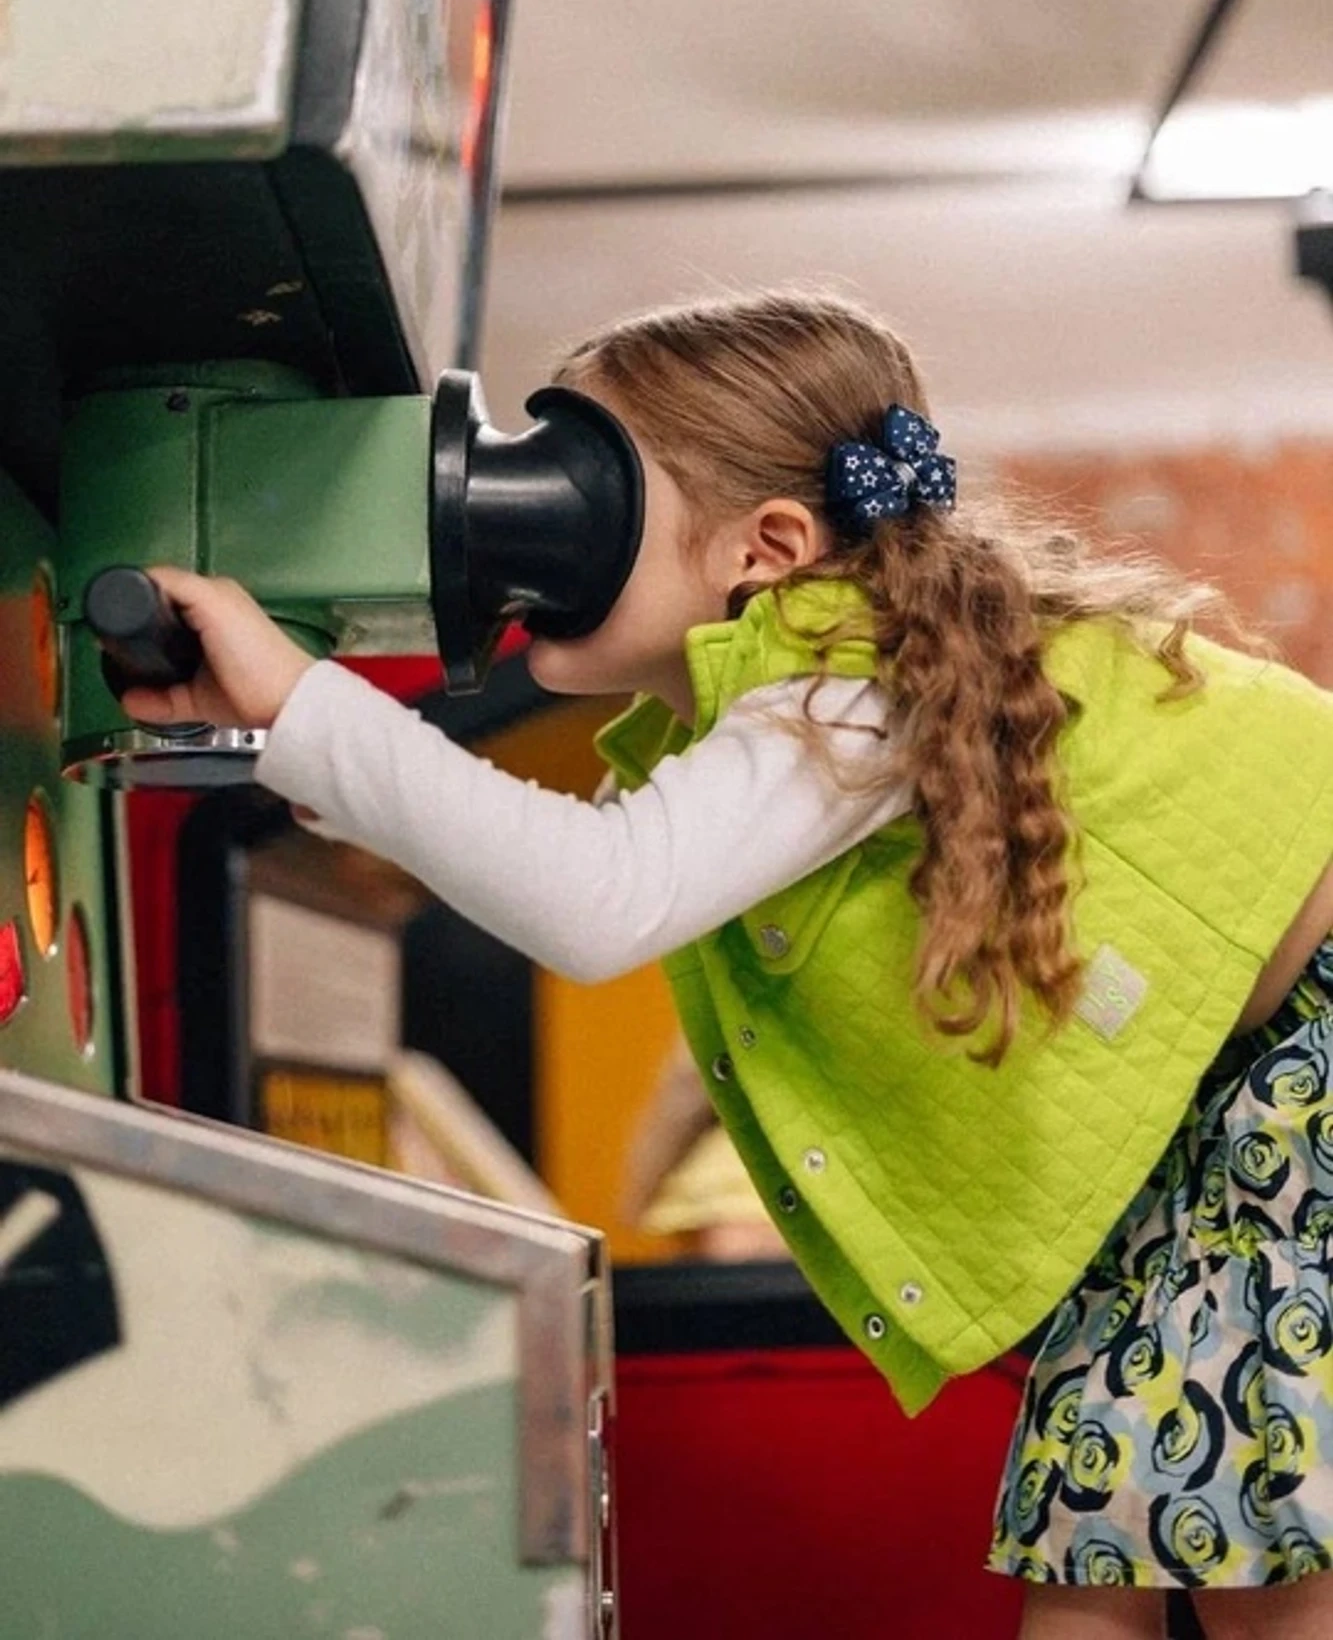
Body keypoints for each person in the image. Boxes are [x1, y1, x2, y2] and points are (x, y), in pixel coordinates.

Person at [120, 290, 1333, 1640]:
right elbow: (555, 859)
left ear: (770, 549)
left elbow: (598, 895)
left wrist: (299, 702)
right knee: (1110, 1521)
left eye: (585, 489)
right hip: (1254, 1097)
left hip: (1304, 1078)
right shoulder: (837, 684)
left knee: (1260, 1555)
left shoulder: (849, 678)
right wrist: (301, 756)